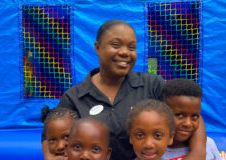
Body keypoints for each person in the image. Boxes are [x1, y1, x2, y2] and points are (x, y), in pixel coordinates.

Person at [57, 19, 205, 160]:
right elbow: (54, 142)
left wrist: (198, 153)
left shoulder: (152, 85)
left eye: (131, 47)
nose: (125, 52)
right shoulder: (74, 98)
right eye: (116, 45)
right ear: (97, 47)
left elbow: (188, 113)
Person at [161, 78, 222, 160]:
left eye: (194, 116)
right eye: (180, 115)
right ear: (162, 113)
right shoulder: (152, 150)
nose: (188, 123)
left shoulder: (208, 145)